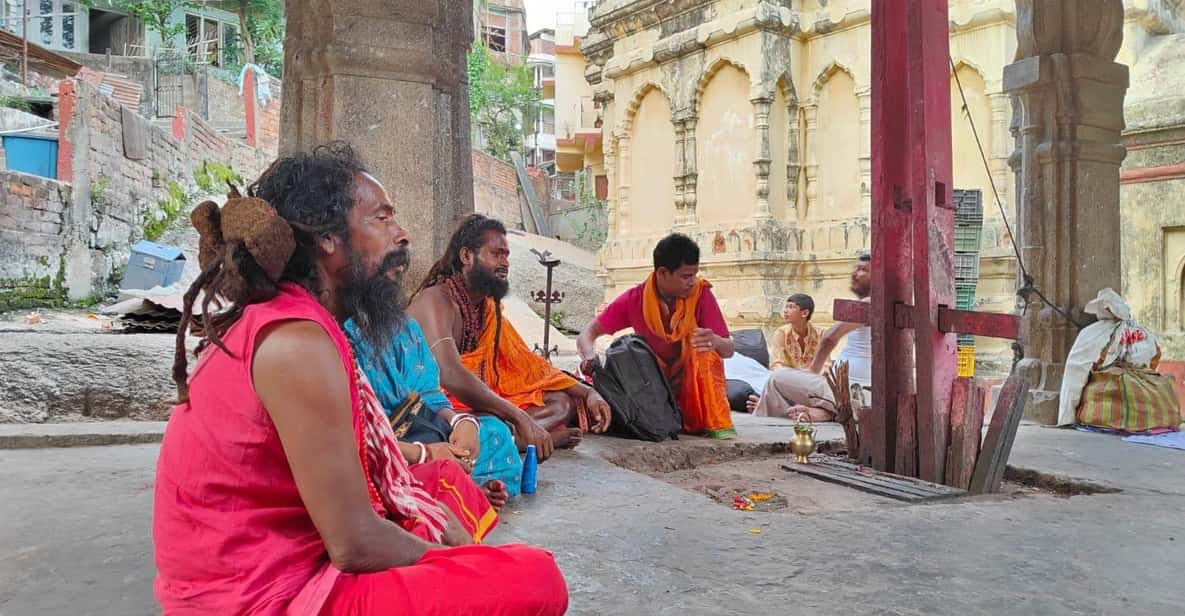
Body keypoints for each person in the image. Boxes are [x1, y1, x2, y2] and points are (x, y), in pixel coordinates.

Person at [153, 143, 567, 615]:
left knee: (434, 489)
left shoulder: (302, 322)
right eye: (382, 218)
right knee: (536, 577)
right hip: (262, 599)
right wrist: (458, 562)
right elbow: (354, 544)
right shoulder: (296, 343)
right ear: (329, 239)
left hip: (277, 568)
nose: (402, 234)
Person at [407, 214, 611, 461]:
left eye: (506, 255)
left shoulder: (486, 309)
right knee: (475, 422)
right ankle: (520, 439)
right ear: (466, 256)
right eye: (496, 254)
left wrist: (587, 392)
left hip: (474, 406)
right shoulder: (436, 300)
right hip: (429, 408)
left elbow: (529, 365)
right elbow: (450, 374)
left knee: (561, 404)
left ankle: (515, 437)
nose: (505, 263)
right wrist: (518, 416)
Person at [348, 316, 521, 508]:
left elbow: (428, 394)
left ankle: (452, 490)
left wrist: (461, 423)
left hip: (420, 432)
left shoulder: (399, 324)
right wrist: (424, 453)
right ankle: (456, 493)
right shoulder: (331, 340)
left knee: (496, 433)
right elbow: (345, 439)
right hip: (374, 451)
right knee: (361, 475)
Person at [577, 233, 738, 439]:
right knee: (625, 351)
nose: (692, 282)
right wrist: (589, 356)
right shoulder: (636, 298)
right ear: (662, 273)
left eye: (694, 275)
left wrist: (715, 341)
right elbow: (587, 333)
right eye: (686, 276)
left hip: (692, 396)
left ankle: (709, 423)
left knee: (705, 352)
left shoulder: (701, 295)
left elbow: (729, 350)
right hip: (651, 391)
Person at [749, 255, 872, 421]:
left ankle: (774, 409)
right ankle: (821, 412)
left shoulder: (868, 304)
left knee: (777, 378)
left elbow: (830, 337)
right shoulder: (887, 302)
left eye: (862, 270)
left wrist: (814, 368)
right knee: (785, 378)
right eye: (855, 268)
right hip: (854, 391)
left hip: (850, 391)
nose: (855, 274)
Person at [770, 294, 821, 370]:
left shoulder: (820, 334)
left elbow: (826, 364)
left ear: (805, 313)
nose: (785, 311)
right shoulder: (781, 333)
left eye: (791, 307)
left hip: (812, 376)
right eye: (786, 307)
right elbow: (775, 364)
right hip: (788, 376)